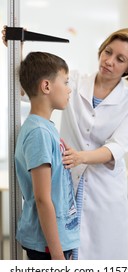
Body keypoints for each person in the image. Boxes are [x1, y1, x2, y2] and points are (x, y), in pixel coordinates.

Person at [2, 27, 128, 260]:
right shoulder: (74, 82)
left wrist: (81, 157)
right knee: (66, 254)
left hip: (104, 191)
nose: (109, 61)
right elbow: (33, 88)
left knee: (101, 258)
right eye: (108, 52)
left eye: (120, 59)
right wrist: (18, 51)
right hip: (66, 180)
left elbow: (118, 146)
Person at [14, 51, 80, 260]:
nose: (69, 89)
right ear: (46, 86)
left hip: (52, 242)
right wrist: (58, 255)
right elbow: (42, 199)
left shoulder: (44, 128)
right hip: (47, 246)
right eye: (66, 81)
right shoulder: (39, 133)